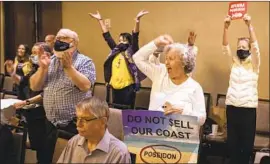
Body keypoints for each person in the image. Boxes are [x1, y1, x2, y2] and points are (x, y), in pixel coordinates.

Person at [30, 28, 96, 164]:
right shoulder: (50, 61)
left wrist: (69, 67)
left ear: (74, 43)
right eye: (58, 38)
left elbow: (85, 86)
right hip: (50, 123)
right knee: (46, 158)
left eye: (64, 38)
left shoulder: (85, 61)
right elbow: (35, 86)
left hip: (74, 125)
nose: (59, 40)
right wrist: (42, 68)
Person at [133, 34, 206, 126]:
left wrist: (183, 111)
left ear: (183, 62)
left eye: (171, 59)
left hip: (179, 137)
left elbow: (201, 118)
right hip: (154, 134)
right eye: (166, 58)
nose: (166, 62)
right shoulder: (159, 73)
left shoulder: (195, 87)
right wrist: (156, 42)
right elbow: (137, 58)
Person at [89, 10, 148, 108]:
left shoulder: (131, 51)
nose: (121, 43)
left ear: (129, 42)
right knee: (116, 112)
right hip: (115, 87)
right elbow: (107, 36)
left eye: (124, 41)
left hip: (128, 87)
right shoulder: (115, 51)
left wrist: (137, 20)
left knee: (126, 113)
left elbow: (135, 36)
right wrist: (100, 20)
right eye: (120, 40)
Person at [222, 14, 260, 164]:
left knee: (245, 149)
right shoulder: (233, 64)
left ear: (249, 49)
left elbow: (256, 49)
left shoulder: (255, 65)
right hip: (232, 109)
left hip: (248, 111)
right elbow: (225, 48)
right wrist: (225, 28)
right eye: (239, 47)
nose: (241, 49)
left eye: (244, 47)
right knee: (232, 147)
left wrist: (249, 25)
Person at [57, 96, 131, 163]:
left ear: (102, 121)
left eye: (85, 119)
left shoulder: (119, 153)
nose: (78, 124)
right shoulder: (74, 141)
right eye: (77, 119)